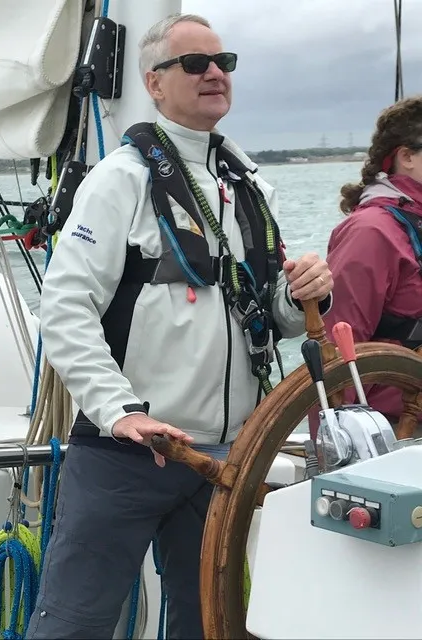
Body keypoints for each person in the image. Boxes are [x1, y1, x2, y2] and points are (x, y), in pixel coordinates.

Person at [26, 13, 333, 640]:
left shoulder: (250, 187)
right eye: (195, 64)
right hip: (125, 453)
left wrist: (302, 294)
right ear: (154, 83)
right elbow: (64, 308)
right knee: (77, 623)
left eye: (224, 62)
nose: (215, 73)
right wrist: (121, 411)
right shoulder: (120, 179)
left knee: (210, 624)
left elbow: (267, 314)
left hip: (220, 462)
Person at [309, 95, 422, 442]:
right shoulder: (371, 232)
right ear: (406, 157)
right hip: (396, 432)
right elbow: (336, 355)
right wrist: (334, 453)